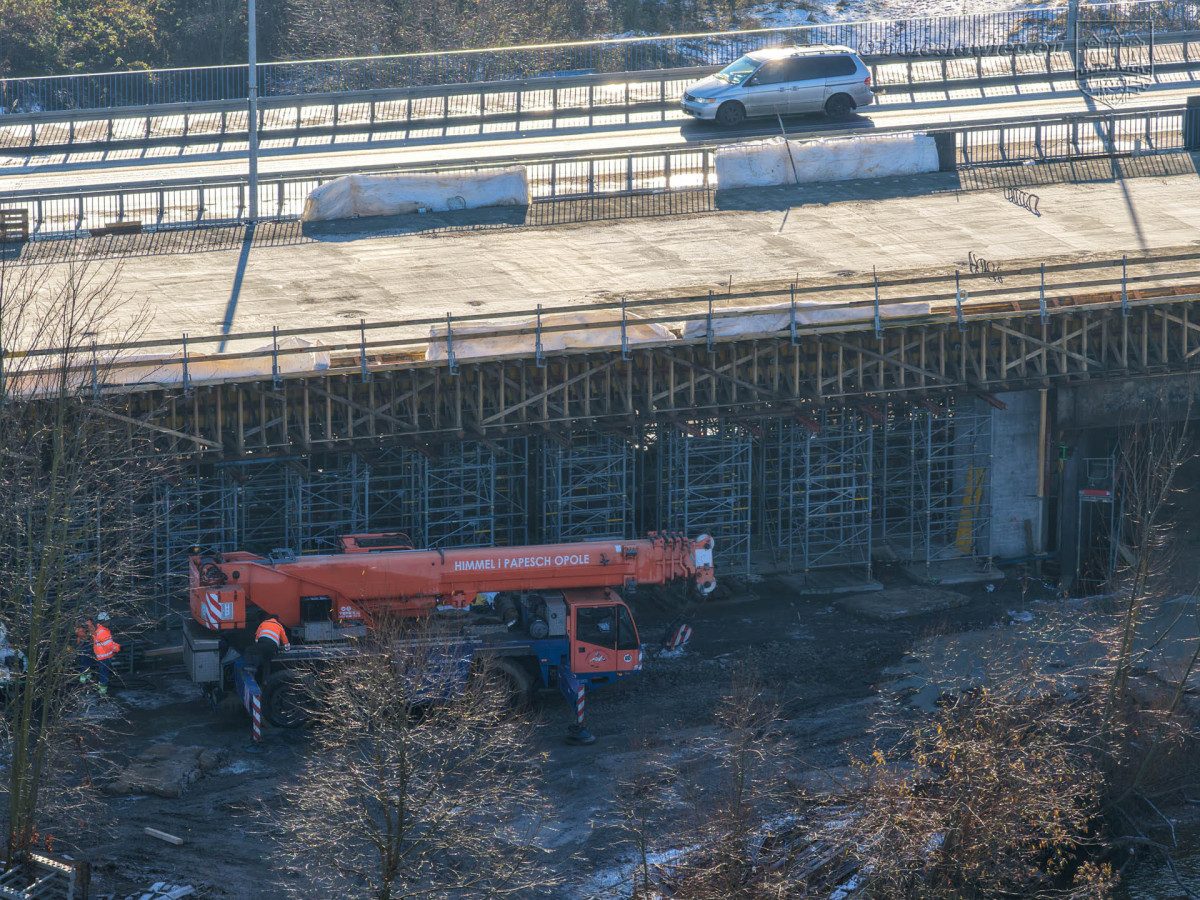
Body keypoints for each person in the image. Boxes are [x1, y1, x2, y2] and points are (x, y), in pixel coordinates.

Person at [91, 612, 121, 695]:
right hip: (104, 657)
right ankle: (102, 693)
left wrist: (115, 645)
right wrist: (117, 648)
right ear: (104, 621)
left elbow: (108, 643)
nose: (109, 622)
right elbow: (109, 646)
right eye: (108, 620)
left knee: (102, 674)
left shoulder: (100, 630)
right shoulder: (104, 632)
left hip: (101, 656)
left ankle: (101, 692)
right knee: (104, 675)